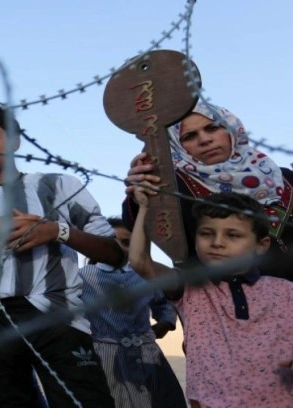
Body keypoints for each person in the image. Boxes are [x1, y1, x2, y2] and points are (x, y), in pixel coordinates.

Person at [0, 109, 123, 407]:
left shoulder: (60, 186)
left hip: (58, 313)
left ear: (15, 141)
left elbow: (114, 254)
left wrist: (57, 231)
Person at [128, 188, 293, 407]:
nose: (217, 242)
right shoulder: (190, 287)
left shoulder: (285, 291)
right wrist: (144, 207)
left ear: (261, 245)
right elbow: (140, 262)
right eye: (206, 233)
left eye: (232, 235)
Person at [123, 102, 293, 281]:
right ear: (175, 145)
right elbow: (140, 225)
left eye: (212, 128)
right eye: (189, 136)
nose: (204, 140)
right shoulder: (171, 186)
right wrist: (140, 190)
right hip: (219, 293)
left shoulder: (282, 177)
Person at [79, 218, 185, 407]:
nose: (120, 248)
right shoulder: (83, 276)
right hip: (106, 358)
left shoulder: (146, 275)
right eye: (112, 242)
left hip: (149, 355)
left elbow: (164, 303)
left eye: (127, 242)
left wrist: (165, 323)